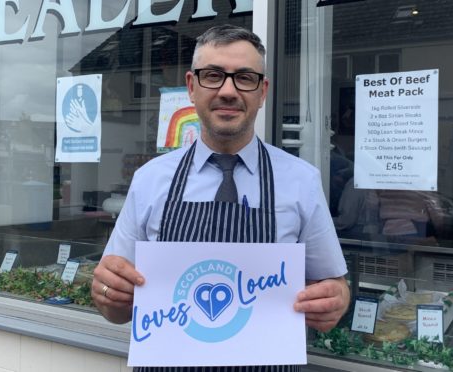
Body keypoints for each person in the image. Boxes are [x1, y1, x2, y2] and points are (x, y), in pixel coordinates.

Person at [91, 24, 350, 371]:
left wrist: (336, 300)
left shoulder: (300, 181)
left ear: (263, 92)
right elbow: (116, 308)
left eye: (244, 77)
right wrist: (108, 293)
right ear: (191, 87)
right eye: (213, 75)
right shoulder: (150, 181)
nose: (228, 91)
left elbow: (331, 284)